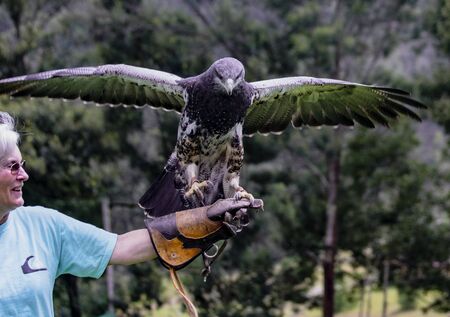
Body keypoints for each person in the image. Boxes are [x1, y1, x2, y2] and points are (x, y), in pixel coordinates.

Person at [0, 111, 261, 317]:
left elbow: (120, 247)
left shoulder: (42, 226)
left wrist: (204, 221)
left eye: (22, 165)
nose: (24, 175)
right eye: (12, 167)